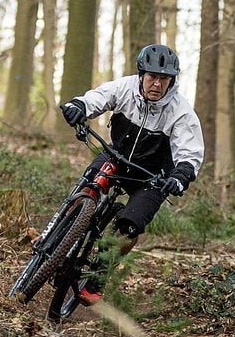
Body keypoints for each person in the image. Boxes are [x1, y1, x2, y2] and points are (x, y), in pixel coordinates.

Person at [60, 43, 204, 303]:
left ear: (172, 81)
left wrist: (180, 176)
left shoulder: (181, 112)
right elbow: (99, 97)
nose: (157, 84)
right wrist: (79, 106)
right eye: (152, 77)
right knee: (88, 187)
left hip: (153, 178)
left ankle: (96, 281)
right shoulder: (125, 88)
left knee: (130, 227)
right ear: (141, 75)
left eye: (164, 79)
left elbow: (190, 152)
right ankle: (57, 237)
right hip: (118, 157)